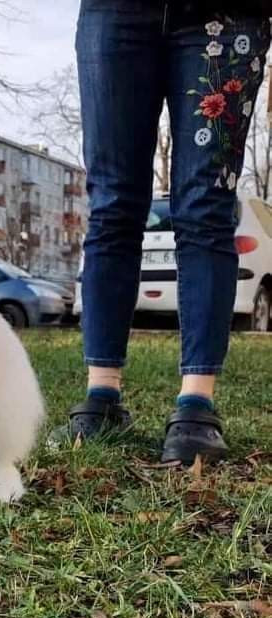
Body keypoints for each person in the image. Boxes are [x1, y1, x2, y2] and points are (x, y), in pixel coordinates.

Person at [68, 1, 270, 463]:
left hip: (228, 13)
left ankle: (195, 406)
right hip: (114, 10)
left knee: (205, 204)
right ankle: (100, 396)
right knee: (113, 202)